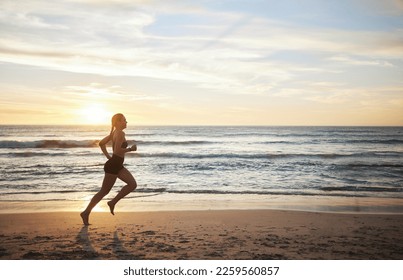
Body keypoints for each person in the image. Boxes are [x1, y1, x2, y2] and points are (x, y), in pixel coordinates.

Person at [80, 113, 137, 225]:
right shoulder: (120, 133)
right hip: (113, 166)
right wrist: (130, 149)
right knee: (103, 191)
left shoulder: (114, 133)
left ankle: (112, 202)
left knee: (132, 184)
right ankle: (86, 212)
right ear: (117, 122)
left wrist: (108, 157)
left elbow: (101, 144)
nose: (126, 122)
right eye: (124, 120)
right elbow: (117, 151)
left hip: (117, 165)